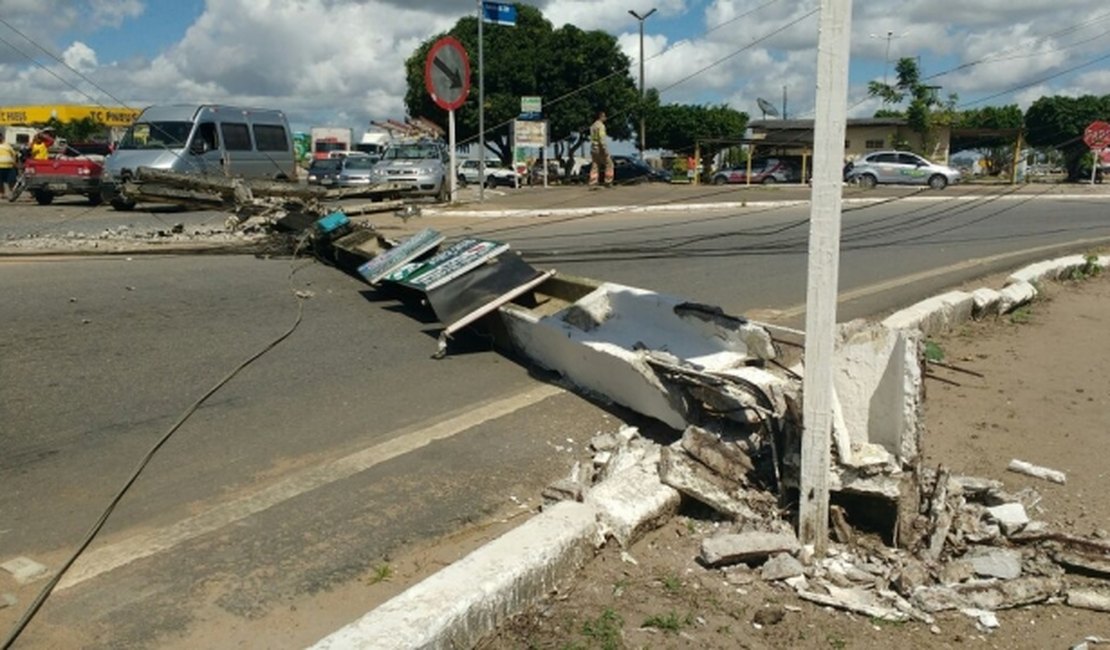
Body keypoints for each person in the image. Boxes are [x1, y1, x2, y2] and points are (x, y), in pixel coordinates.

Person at [588, 110, 614, 188]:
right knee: (609, 164)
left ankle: (593, 182)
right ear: (601, 117)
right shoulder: (601, 126)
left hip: (593, 147)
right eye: (604, 116)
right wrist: (605, 149)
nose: (605, 118)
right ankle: (608, 181)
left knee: (595, 165)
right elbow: (602, 138)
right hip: (600, 148)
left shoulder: (592, 126)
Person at [0, 133, 17, 198]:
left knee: (11, 180)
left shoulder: (7, 145)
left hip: (9, 166)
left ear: (2, 137)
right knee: (0, 182)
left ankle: (12, 193)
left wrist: (14, 162)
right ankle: (2, 193)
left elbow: (14, 154)